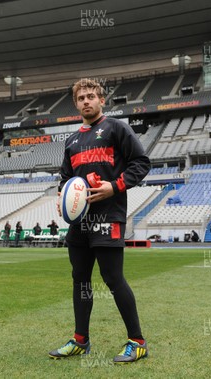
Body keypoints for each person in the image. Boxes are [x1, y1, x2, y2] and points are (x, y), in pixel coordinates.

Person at [49, 79, 151, 363]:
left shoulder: (117, 128)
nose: (86, 101)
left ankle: (137, 342)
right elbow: (66, 178)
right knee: (80, 279)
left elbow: (141, 163)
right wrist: (62, 196)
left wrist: (113, 186)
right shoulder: (71, 141)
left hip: (108, 216)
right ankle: (81, 340)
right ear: (76, 103)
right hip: (79, 222)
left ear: (102, 100)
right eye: (81, 97)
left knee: (113, 279)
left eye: (91, 96)